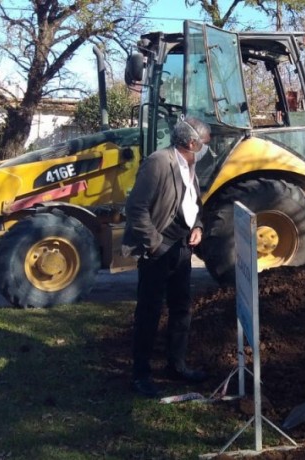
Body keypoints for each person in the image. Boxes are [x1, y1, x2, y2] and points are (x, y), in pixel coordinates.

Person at [122, 116, 209, 398]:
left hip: (182, 247)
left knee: (181, 308)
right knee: (149, 311)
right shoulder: (158, 163)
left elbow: (192, 203)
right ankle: (141, 374)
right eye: (205, 143)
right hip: (158, 249)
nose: (207, 148)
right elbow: (136, 209)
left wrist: (198, 226)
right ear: (191, 142)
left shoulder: (190, 165)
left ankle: (176, 364)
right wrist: (155, 245)